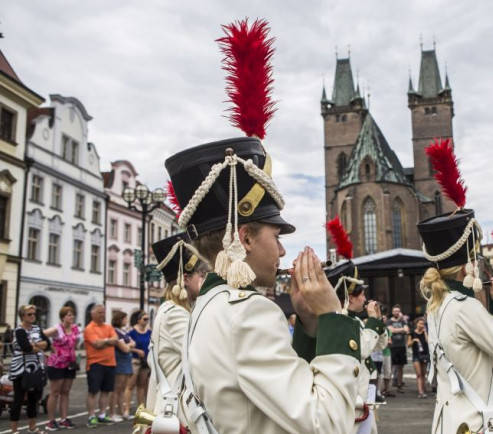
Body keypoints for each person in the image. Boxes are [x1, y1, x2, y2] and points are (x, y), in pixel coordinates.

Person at [165, 18, 361, 434]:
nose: (283, 251)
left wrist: (307, 328)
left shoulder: (212, 305)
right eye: (275, 235)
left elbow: (276, 396)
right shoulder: (250, 312)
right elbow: (326, 423)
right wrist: (330, 318)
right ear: (245, 236)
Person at [417, 142, 493, 433]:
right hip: (475, 422)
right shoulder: (465, 307)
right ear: (469, 263)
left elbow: (481, 345)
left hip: (452, 420)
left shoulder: (440, 303)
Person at [324, 218, 388, 434]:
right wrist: (372, 322)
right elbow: (362, 349)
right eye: (360, 294)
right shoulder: (340, 321)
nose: (365, 298)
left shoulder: (357, 321)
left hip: (365, 389)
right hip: (352, 398)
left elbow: (379, 346)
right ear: (349, 298)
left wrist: (378, 322)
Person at [145, 234, 210, 428]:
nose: (205, 281)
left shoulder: (171, 309)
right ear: (185, 278)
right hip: (178, 412)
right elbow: (201, 359)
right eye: (202, 275)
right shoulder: (176, 315)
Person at [9, 305, 49, 434]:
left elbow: (47, 344)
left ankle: (32, 427)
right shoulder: (19, 330)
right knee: (18, 399)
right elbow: (25, 347)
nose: (33, 316)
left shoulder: (37, 328)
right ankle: (14, 430)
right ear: (22, 316)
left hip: (36, 368)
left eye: (34, 314)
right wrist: (37, 346)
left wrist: (34, 345)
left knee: (34, 399)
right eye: (29, 314)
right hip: (21, 369)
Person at [43, 306, 81, 431]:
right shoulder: (57, 329)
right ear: (63, 317)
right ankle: (51, 420)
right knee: (55, 393)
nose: (72, 317)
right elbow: (41, 335)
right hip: (56, 364)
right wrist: (47, 348)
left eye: (72, 315)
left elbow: (75, 342)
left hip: (70, 364)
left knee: (65, 392)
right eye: (69, 315)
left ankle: (64, 419)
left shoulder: (75, 328)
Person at [83, 304, 118, 428]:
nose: (102, 315)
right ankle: (92, 416)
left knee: (106, 391)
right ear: (93, 314)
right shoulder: (89, 328)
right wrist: (108, 340)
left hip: (110, 363)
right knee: (93, 391)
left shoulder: (108, 327)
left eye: (103, 312)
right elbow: (96, 344)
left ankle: (102, 415)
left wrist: (104, 341)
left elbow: (116, 340)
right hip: (95, 363)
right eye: (99, 313)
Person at [110, 310, 134, 422]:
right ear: (119, 319)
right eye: (125, 318)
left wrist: (128, 345)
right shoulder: (115, 332)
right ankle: (113, 413)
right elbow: (125, 348)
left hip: (126, 362)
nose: (126, 320)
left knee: (122, 388)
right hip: (119, 361)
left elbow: (132, 343)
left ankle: (121, 411)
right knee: (116, 389)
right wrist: (129, 346)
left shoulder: (123, 331)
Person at [125, 310, 151, 412]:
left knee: (142, 385)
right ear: (138, 320)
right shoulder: (132, 333)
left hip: (145, 361)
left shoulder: (149, 332)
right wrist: (136, 350)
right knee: (130, 385)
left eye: (147, 319)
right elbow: (126, 346)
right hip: (135, 360)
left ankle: (141, 408)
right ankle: (126, 408)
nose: (146, 321)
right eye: (145, 319)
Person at [386, 305, 409, 393]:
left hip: (402, 346)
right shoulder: (389, 321)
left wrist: (396, 329)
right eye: (395, 311)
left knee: (400, 367)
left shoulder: (403, 321)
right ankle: (388, 387)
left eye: (398, 311)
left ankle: (399, 384)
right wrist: (401, 329)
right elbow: (390, 330)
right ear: (392, 312)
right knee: (390, 366)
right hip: (393, 346)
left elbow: (406, 330)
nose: (396, 312)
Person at [407, 317, 429, 398]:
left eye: (423, 324)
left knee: (423, 374)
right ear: (416, 324)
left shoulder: (424, 333)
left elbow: (428, 341)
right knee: (419, 374)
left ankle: (423, 389)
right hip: (416, 355)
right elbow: (408, 344)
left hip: (424, 355)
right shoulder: (412, 333)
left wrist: (425, 332)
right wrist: (413, 341)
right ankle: (420, 391)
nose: (421, 325)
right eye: (420, 323)